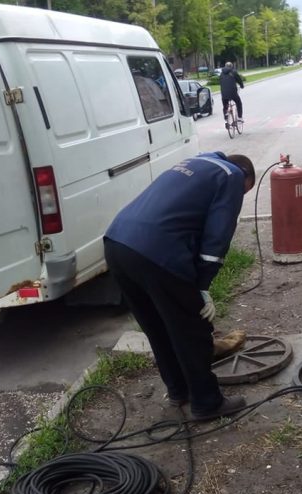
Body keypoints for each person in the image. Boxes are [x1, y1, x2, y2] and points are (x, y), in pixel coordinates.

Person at [104, 152, 256, 421]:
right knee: (192, 329)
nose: (239, 198)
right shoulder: (231, 175)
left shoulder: (196, 163)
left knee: (157, 326)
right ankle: (207, 403)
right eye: (244, 192)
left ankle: (179, 391)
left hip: (117, 243)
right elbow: (216, 239)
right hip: (156, 252)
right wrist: (201, 286)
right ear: (244, 175)